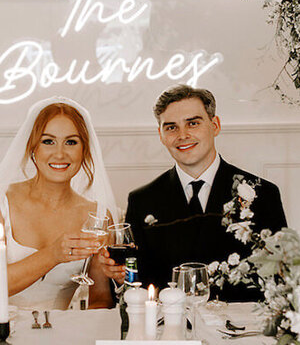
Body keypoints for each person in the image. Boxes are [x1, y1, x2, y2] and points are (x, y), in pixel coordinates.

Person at [100, 85, 286, 301]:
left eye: (193, 123)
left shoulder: (263, 194)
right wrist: (121, 277)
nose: (182, 135)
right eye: (171, 127)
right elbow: (139, 281)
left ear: (214, 125)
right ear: (160, 134)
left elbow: (279, 278)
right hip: (170, 328)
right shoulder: (142, 200)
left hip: (243, 328)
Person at [0, 98, 117, 309]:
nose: (60, 153)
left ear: (85, 151)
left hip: (60, 334)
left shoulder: (98, 216)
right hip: (0, 333)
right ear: (32, 148)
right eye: (48, 141)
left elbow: (101, 300)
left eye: (71, 142)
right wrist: (53, 254)